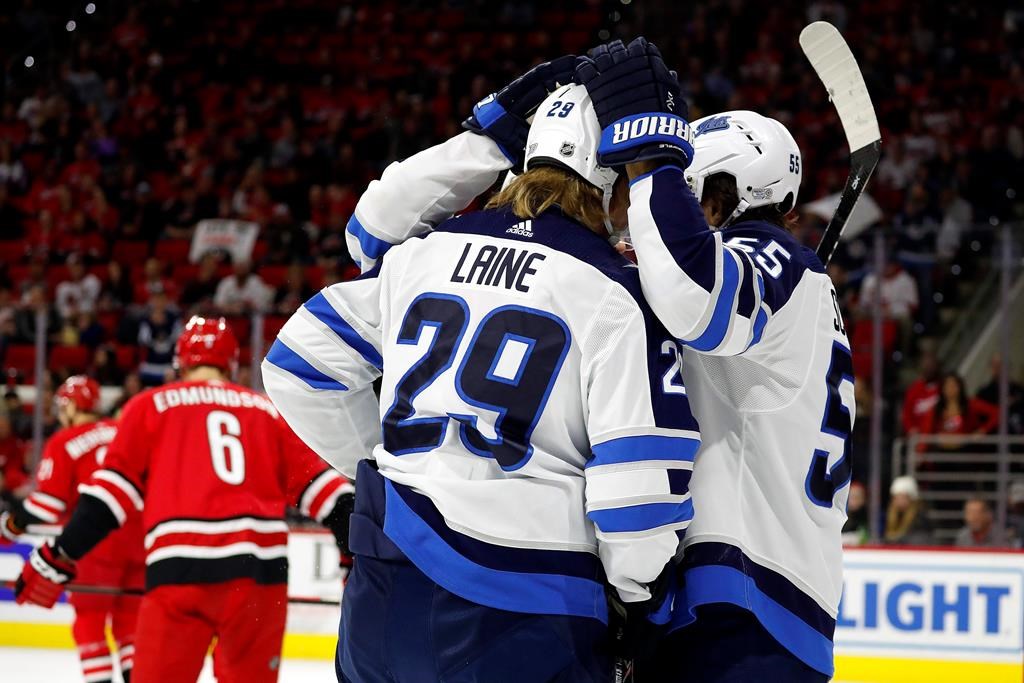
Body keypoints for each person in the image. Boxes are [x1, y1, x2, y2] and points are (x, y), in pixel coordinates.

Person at [263, 67, 702, 681]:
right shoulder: (617, 294)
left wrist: (385, 464)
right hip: (526, 610)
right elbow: (635, 496)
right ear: (612, 178)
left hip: (385, 595)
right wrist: (640, 599)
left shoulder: (421, 253)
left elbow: (297, 365)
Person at [566, 39, 849, 681]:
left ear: (720, 196)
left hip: (747, 604)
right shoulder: (787, 285)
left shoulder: (775, 262)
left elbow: (696, 293)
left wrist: (650, 158)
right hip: (756, 601)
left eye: (691, 195)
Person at [14, 317, 355, 683]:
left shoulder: (150, 406)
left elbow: (106, 502)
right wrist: (352, 562)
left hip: (180, 573)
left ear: (180, 363)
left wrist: (57, 555)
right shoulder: (267, 412)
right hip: (260, 578)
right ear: (232, 365)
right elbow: (336, 500)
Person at [1, 376, 145, 683]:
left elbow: (45, 506)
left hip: (94, 541)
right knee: (130, 626)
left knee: (90, 623)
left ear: (69, 405)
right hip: (141, 542)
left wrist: (9, 526)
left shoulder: (65, 441)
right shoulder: (123, 431)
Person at [919, 373, 999, 452]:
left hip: (965, 451)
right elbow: (925, 433)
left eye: (954, 385)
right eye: (947, 386)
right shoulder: (935, 410)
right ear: (942, 389)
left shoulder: (971, 404)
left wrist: (983, 430)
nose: (951, 389)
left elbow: (997, 413)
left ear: (960, 387)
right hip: (942, 453)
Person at [883, 475, 934, 546]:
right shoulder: (892, 516)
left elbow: (919, 542)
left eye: (902, 497)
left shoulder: (920, 519)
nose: (898, 501)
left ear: (911, 498)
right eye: (896, 497)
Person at [841, 481, 869, 546]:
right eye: (852, 497)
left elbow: (865, 538)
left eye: (857, 497)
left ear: (863, 499)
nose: (854, 500)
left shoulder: (869, 517)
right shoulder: (841, 517)